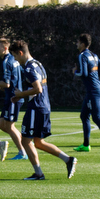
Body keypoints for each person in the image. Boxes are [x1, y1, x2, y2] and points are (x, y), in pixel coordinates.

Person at [13, 39, 78, 180]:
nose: (16, 60)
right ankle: (68, 160)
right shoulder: (38, 64)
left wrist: (20, 94)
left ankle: (38, 173)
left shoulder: (29, 68)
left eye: (15, 56)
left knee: (25, 141)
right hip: (44, 106)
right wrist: (21, 95)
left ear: (20, 52)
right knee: (38, 142)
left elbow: (38, 88)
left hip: (35, 108)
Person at [73, 32, 100, 153]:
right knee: (84, 115)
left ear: (82, 44)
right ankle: (86, 144)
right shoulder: (93, 55)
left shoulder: (82, 56)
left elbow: (83, 73)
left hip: (93, 90)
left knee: (96, 117)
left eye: (77, 42)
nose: (76, 44)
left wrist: (75, 72)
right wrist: (95, 76)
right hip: (95, 89)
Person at [0, 37, 28, 160]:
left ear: (5, 48)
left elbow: (6, 83)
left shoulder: (7, 61)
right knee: (2, 124)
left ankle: (23, 152)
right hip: (11, 96)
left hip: (14, 98)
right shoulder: (14, 59)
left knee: (9, 126)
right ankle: (26, 144)